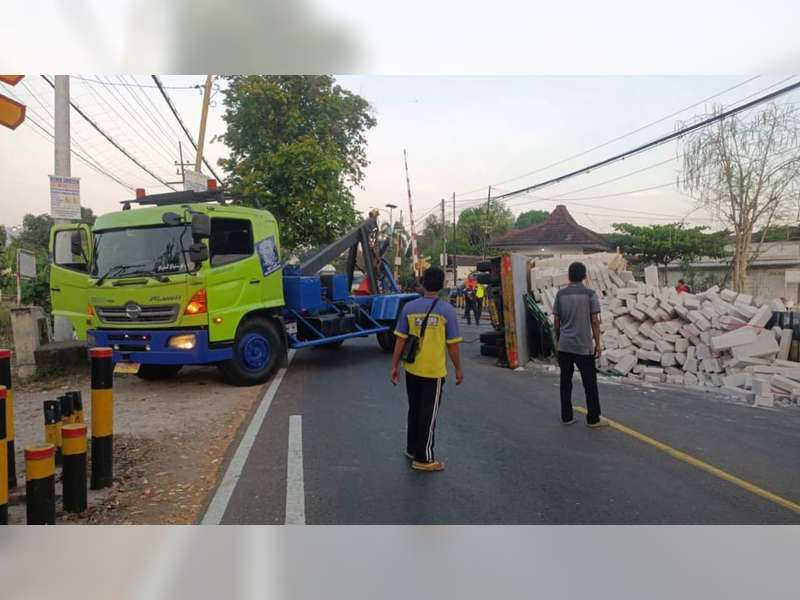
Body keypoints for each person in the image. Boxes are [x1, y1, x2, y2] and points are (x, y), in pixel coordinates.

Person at [391, 267, 464, 472]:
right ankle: (424, 459)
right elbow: (453, 345)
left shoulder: (409, 308)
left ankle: (412, 448)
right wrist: (458, 369)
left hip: (412, 369)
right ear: (441, 285)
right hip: (433, 371)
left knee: (414, 409)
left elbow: (400, 340)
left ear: (423, 283)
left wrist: (394, 366)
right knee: (428, 414)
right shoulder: (446, 310)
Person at [552, 261, 605, 427]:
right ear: (584, 276)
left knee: (565, 382)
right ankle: (593, 419)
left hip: (565, 346)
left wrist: (558, 340)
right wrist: (598, 343)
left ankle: (566, 417)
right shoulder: (590, 294)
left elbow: (556, 321)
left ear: (569, 276)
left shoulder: (560, 295)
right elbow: (595, 321)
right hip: (583, 346)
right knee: (589, 383)